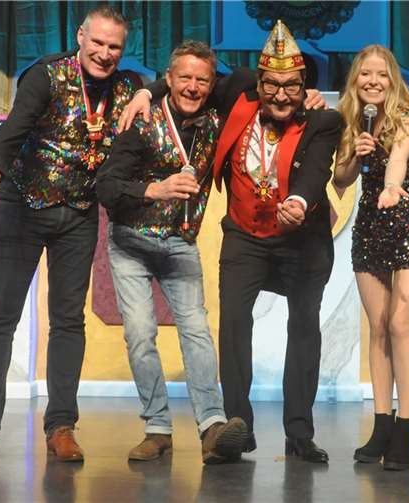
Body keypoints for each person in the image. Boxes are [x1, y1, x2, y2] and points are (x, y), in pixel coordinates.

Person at [119, 21, 333, 464]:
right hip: (244, 236)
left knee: (304, 327)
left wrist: (299, 201)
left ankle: (299, 434)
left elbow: (316, 171)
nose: (280, 95)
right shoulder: (237, 90)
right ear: (259, 80)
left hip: (302, 241)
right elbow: (189, 79)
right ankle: (235, 430)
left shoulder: (323, 120)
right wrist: (146, 91)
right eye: (271, 84)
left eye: (292, 86)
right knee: (234, 325)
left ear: (304, 85)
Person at [0, 6, 136, 469]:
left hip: (78, 214)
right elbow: (14, 128)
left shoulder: (127, 88)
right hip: (25, 206)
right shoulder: (47, 76)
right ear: (80, 37)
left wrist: (148, 93)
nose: (104, 53)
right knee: (0, 318)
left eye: (114, 47)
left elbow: (161, 95)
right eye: (98, 43)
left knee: (68, 321)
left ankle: (61, 427)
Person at [95, 40, 248, 465]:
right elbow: (106, 187)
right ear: (169, 78)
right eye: (183, 78)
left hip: (180, 243)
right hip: (131, 242)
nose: (193, 87)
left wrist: (151, 87)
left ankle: (212, 428)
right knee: (140, 334)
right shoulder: (142, 120)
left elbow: (244, 79)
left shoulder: (216, 116)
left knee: (196, 331)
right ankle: (158, 429)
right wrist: (154, 189)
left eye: (202, 80)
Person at [333, 45, 409, 470]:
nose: (373, 82)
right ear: (355, 80)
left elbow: (398, 159)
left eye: (381, 74)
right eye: (365, 74)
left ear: (393, 80)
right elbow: (340, 179)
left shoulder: (407, 116)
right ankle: (381, 425)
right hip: (371, 229)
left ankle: (406, 428)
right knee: (377, 327)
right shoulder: (350, 120)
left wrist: (393, 187)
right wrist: (355, 154)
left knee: (399, 323)